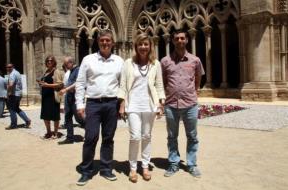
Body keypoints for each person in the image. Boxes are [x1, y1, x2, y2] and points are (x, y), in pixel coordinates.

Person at [75, 29, 124, 186]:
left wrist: (122, 104)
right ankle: (86, 171)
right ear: (98, 42)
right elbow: (81, 83)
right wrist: (80, 104)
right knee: (91, 137)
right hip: (93, 103)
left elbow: (123, 85)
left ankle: (106, 168)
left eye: (108, 40)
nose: (105, 43)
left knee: (108, 138)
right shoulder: (88, 59)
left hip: (112, 103)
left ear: (112, 43)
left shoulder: (119, 61)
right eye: (102, 40)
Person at [118, 33, 165, 183]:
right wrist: (122, 103)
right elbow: (123, 84)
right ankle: (132, 168)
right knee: (135, 136)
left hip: (149, 105)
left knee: (146, 136)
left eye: (146, 44)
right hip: (133, 105)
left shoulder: (155, 64)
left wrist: (160, 103)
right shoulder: (128, 63)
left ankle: (144, 166)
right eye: (140, 44)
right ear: (136, 46)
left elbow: (159, 85)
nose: (143, 47)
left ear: (150, 46)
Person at [161, 29, 205, 178]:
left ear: (186, 40)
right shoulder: (165, 61)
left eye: (182, 38)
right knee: (172, 136)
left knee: (192, 136)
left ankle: (191, 164)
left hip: (190, 104)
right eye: (177, 39)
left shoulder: (195, 60)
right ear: (172, 41)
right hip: (171, 104)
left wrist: (194, 91)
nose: (179, 41)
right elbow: (163, 81)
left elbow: (198, 78)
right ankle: (174, 163)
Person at [58, 56, 84, 144]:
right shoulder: (71, 71)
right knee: (67, 117)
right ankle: (70, 138)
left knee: (79, 118)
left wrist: (66, 89)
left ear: (71, 63)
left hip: (75, 98)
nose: (65, 66)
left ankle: (90, 129)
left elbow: (78, 83)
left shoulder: (78, 70)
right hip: (69, 97)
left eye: (66, 64)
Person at [38, 55, 64, 139]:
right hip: (45, 97)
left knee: (55, 115)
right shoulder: (46, 72)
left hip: (53, 96)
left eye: (51, 60)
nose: (49, 62)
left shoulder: (56, 71)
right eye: (48, 61)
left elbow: (60, 84)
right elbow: (45, 83)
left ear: (54, 62)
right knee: (45, 115)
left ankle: (56, 133)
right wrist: (41, 83)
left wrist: (47, 85)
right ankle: (48, 132)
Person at [6, 63, 31, 129]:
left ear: (13, 66)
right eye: (7, 67)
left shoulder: (12, 74)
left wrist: (7, 92)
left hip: (14, 94)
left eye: (10, 67)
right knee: (16, 108)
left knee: (12, 109)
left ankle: (13, 124)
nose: (8, 68)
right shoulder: (17, 73)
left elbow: (11, 85)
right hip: (19, 94)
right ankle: (27, 120)